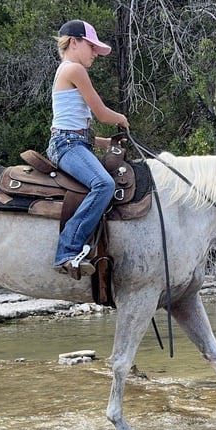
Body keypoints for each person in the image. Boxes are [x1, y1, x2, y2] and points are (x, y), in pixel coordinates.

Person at [46, 19, 129, 279]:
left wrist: (108, 143)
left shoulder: (66, 70)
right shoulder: (75, 69)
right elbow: (102, 113)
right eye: (91, 46)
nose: (95, 53)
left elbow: (78, 130)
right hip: (67, 145)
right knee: (103, 184)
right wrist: (121, 119)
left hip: (72, 142)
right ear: (74, 42)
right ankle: (67, 251)